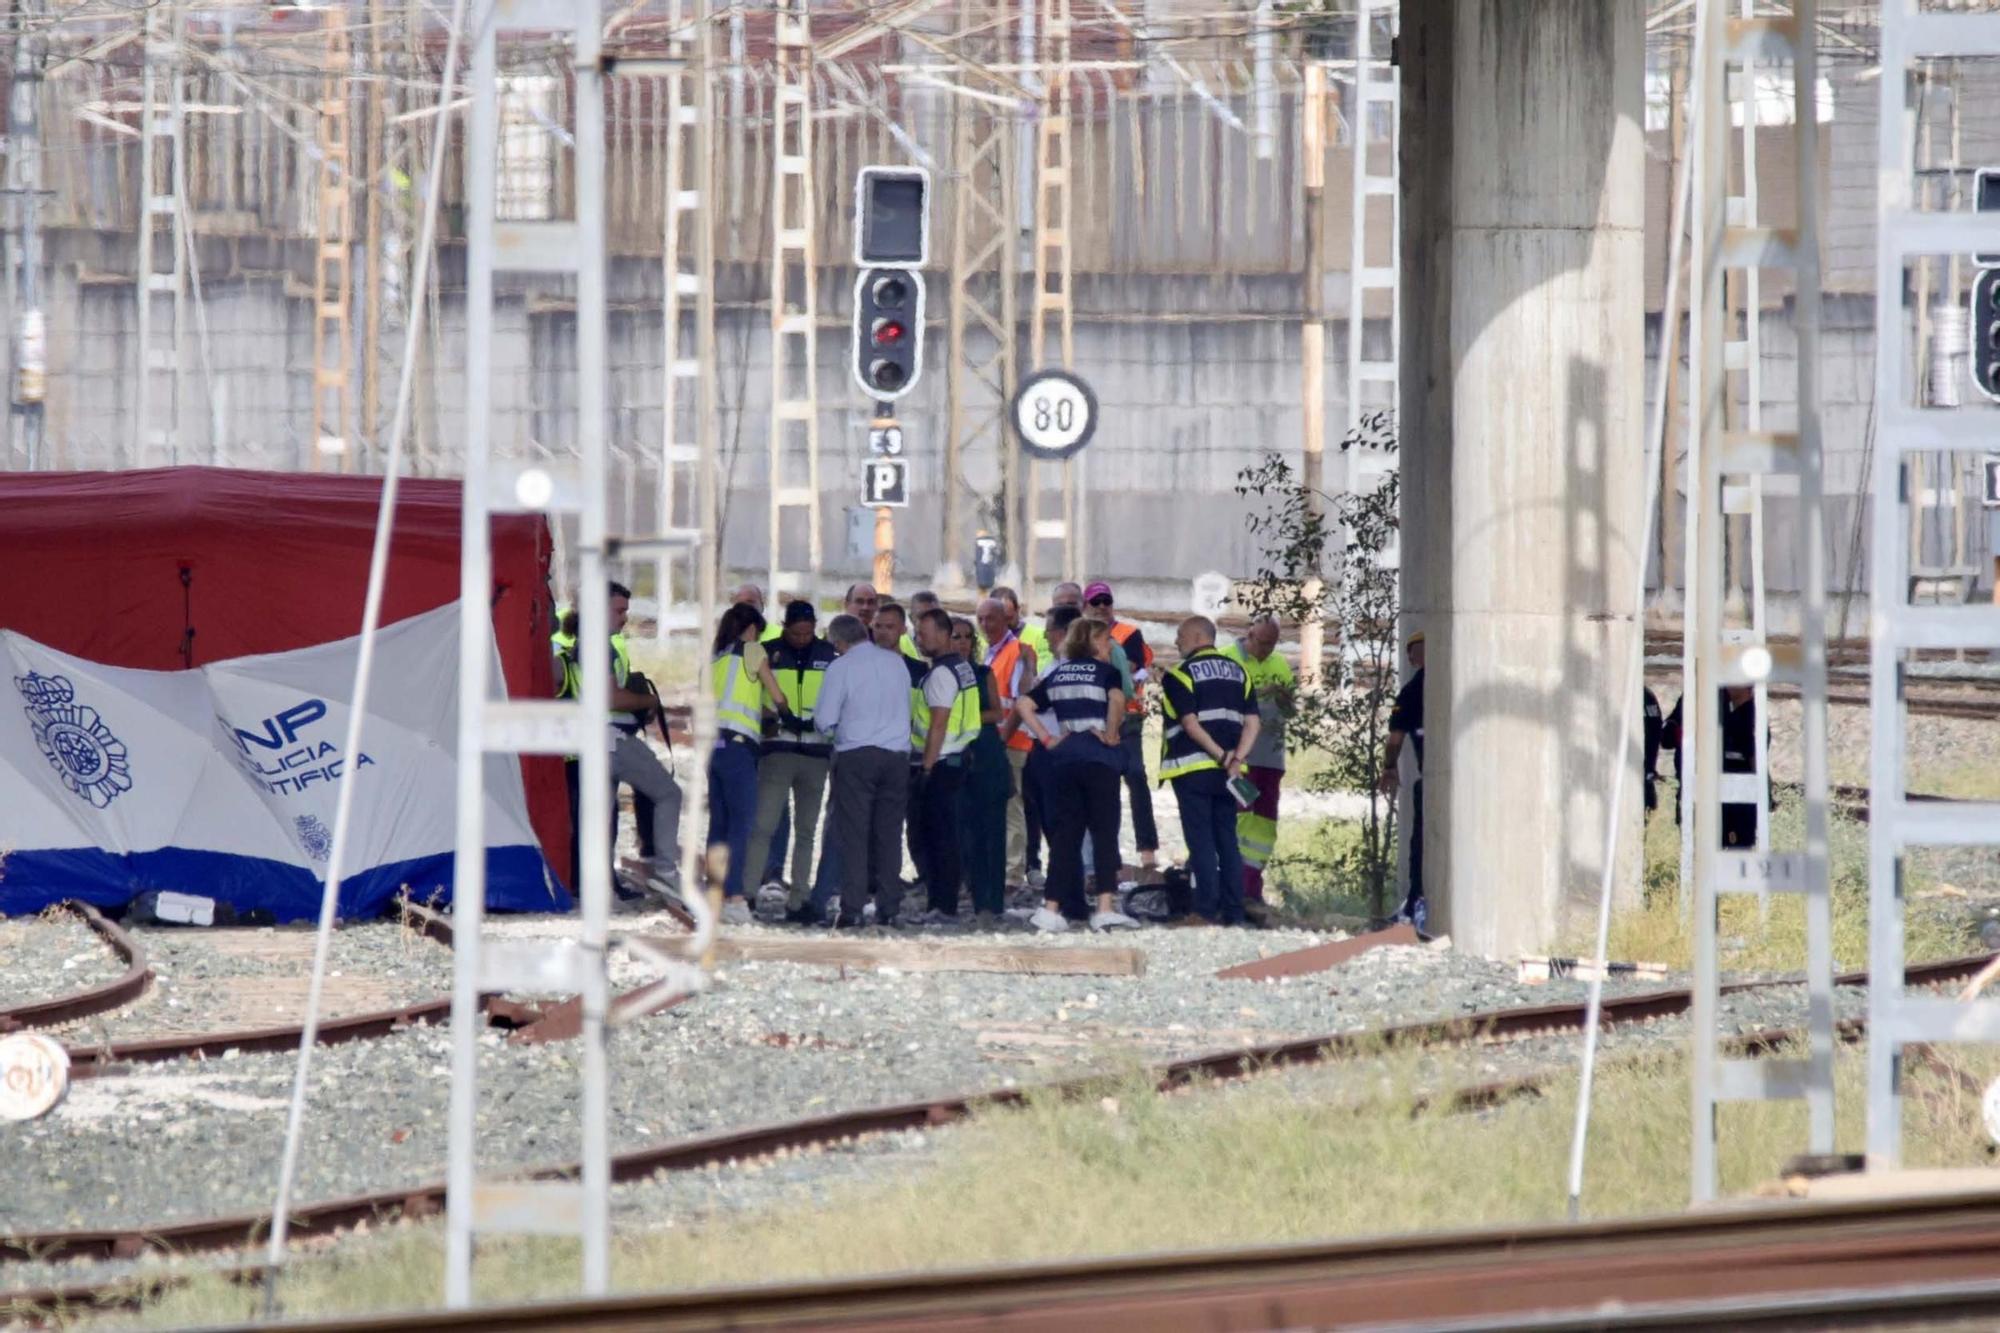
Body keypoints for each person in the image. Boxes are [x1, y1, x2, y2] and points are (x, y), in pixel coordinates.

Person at [553, 581, 683, 901]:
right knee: (668, 793)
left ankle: (593, 887)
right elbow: (611, 697)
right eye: (619, 610)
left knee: (597, 818)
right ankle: (665, 870)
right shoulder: (598, 645)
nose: (624, 617)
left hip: (591, 741)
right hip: (609, 738)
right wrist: (648, 702)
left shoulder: (586, 642)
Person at [1016, 615, 1140, 933]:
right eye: (1105, 639)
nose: (1110, 644)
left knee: (1065, 835)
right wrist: (1112, 733)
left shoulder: (1059, 673)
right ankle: (1104, 907)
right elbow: (1116, 699)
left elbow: (1024, 704)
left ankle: (1051, 909)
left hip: (1065, 758)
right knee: (1103, 830)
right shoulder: (1107, 673)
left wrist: (1047, 738)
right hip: (1099, 758)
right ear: (1094, 642)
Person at [815, 612, 913, 926]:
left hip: (856, 756)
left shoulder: (841, 667)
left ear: (839, 642)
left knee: (854, 834)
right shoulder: (896, 663)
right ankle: (889, 906)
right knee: (889, 833)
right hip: (897, 757)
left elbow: (824, 719)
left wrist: (838, 732)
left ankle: (853, 907)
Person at [1160, 615, 1258, 927]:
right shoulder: (1239, 672)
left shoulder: (1180, 674)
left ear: (1198, 636)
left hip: (1194, 768)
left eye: (1180, 635)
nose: (1177, 641)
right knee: (1227, 840)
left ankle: (1204, 910)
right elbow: (1253, 722)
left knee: (1201, 840)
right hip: (1229, 774)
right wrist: (1236, 759)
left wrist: (1220, 756)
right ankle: (1234, 912)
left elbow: (1190, 724)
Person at [750, 601, 837, 922]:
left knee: (806, 831)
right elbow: (750, 695)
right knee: (763, 826)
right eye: (796, 631)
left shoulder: (829, 655)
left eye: (807, 631)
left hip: (816, 752)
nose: (802, 637)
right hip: (777, 749)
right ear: (784, 626)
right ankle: (748, 894)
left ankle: (799, 900)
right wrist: (770, 719)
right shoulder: (765, 653)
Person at [709, 602, 788, 923]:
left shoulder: (715, 658)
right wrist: (787, 715)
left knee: (719, 825)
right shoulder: (752, 651)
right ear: (751, 628)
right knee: (742, 825)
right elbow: (775, 694)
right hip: (740, 748)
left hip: (713, 747)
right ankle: (736, 898)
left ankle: (715, 895)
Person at [906, 608, 981, 923]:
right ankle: (945, 902)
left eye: (923, 634)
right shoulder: (962, 667)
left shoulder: (939, 674)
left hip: (939, 762)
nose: (918, 640)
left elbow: (938, 722)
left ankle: (941, 905)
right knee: (948, 835)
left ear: (942, 633)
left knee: (937, 838)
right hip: (959, 757)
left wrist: (925, 767)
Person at [1084, 581, 1160, 881]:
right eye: (1096, 601)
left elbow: (1130, 669)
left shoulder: (1128, 633)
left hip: (1127, 716)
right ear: (1085, 606)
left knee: (1137, 776)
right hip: (1094, 716)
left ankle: (1148, 850)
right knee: (1102, 786)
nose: (1102, 606)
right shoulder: (1082, 633)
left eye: (1107, 601)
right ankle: (1105, 855)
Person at [1225, 616, 1294, 924]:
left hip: (1272, 758)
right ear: (1248, 634)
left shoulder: (1280, 664)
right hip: (1243, 758)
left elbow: (1291, 711)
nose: (1267, 650)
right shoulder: (1228, 659)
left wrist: (1283, 697)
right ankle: (1231, 885)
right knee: (1240, 818)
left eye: (1272, 644)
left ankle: (1252, 887)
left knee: (1264, 826)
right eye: (1262, 642)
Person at [978, 596, 1039, 894]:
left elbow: (1019, 702)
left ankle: (1013, 873)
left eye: (991, 619)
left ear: (1006, 620)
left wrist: (1002, 740)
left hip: (1011, 742)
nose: (985, 625)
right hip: (998, 741)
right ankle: (1004, 868)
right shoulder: (992, 653)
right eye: (981, 620)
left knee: (1011, 807)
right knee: (999, 808)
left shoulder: (1014, 652)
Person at [952, 616, 1010, 925]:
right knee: (964, 831)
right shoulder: (939, 674)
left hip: (985, 754)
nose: (961, 643)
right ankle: (974, 894)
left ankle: (993, 900)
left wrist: (962, 717)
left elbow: (997, 712)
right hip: (955, 754)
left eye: (966, 638)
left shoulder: (984, 673)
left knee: (992, 831)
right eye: (956, 637)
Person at [1380, 631, 1426, 928]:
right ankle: (1416, 904)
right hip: (1443, 779)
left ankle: (1415, 905)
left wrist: (1388, 767)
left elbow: (1395, 739)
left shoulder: (1410, 692)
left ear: (1412, 657)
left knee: (1420, 844)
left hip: (1432, 781)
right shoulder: (1447, 682)